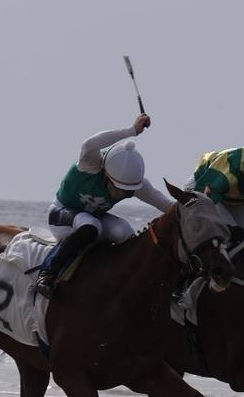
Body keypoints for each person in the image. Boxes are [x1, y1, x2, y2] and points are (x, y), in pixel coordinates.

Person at [34, 113, 175, 299]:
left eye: (127, 192)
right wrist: (131, 130)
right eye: (119, 188)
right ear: (106, 174)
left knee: (123, 231)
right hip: (61, 216)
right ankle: (47, 275)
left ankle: (128, 282)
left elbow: (167, 205)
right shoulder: (90, 164)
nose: (122, 194)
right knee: (91, 225)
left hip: (93, 219)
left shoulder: (135, 185)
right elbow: (89, 143)